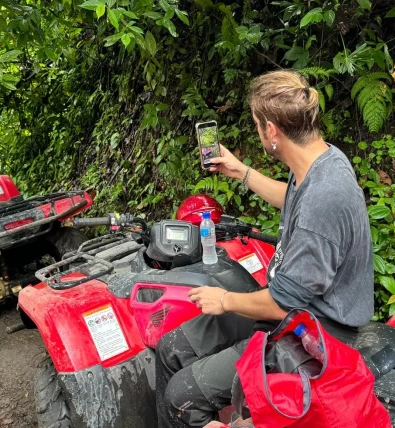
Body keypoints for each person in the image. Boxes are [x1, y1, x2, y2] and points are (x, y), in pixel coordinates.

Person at [156, 70, 374, 428]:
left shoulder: (323, 200)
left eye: (258, 125)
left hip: (315, 328)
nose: (258, 133)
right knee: (172, 348)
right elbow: (291, 200)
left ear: (272, 130)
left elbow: (284, 301)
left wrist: (224, 301)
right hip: (287, 304)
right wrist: (241, 171)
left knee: (181, 397)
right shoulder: (321, 160)